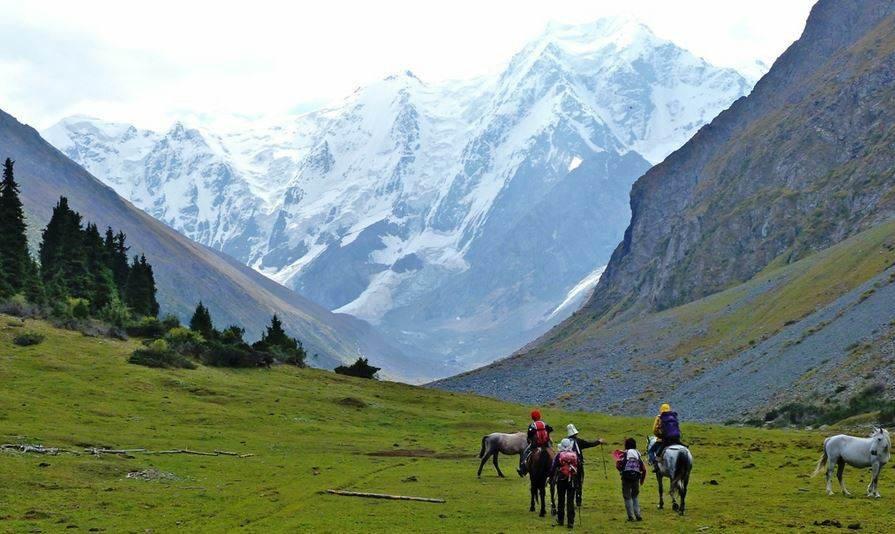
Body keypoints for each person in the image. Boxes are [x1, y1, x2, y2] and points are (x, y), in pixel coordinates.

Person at [566, 423, 604, 507]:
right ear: (575, 433)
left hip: (567, 465)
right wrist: (598, 441)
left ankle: (570, 499)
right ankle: (578, 500)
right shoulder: (579, 441)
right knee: (579, 482)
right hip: (578, 464)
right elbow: (590, 444)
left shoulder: (565, 442)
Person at [549, 438, 579, 529]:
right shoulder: (574, 455)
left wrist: (550, 477)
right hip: (572, 480)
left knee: (561, 500)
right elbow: (578, 466)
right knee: (570, 501)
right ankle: (570, 522)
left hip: (561, 480)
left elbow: (553, 467)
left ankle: (561, 520)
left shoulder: (559, 455)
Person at [615, 437, 646, 521]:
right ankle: (638, 514)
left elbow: (618, 465)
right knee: (635, 496)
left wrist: (621, 470)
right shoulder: (637, 453)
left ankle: (631, 516)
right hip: (636, 477)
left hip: (626, 477)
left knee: (627, 497)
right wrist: (642, 479)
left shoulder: (625, 453)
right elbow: (643, 467)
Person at [518, 409, 553, 476]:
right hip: (546, 444)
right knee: (553, 453)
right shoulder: (544, 424)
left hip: (535, 444)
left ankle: (522, 470)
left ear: (532, 417)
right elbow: (551, 429)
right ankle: (554, 468)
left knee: (525, 453)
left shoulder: (532, 425)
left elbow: (529, 436)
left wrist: (530, 441)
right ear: (539, 416)